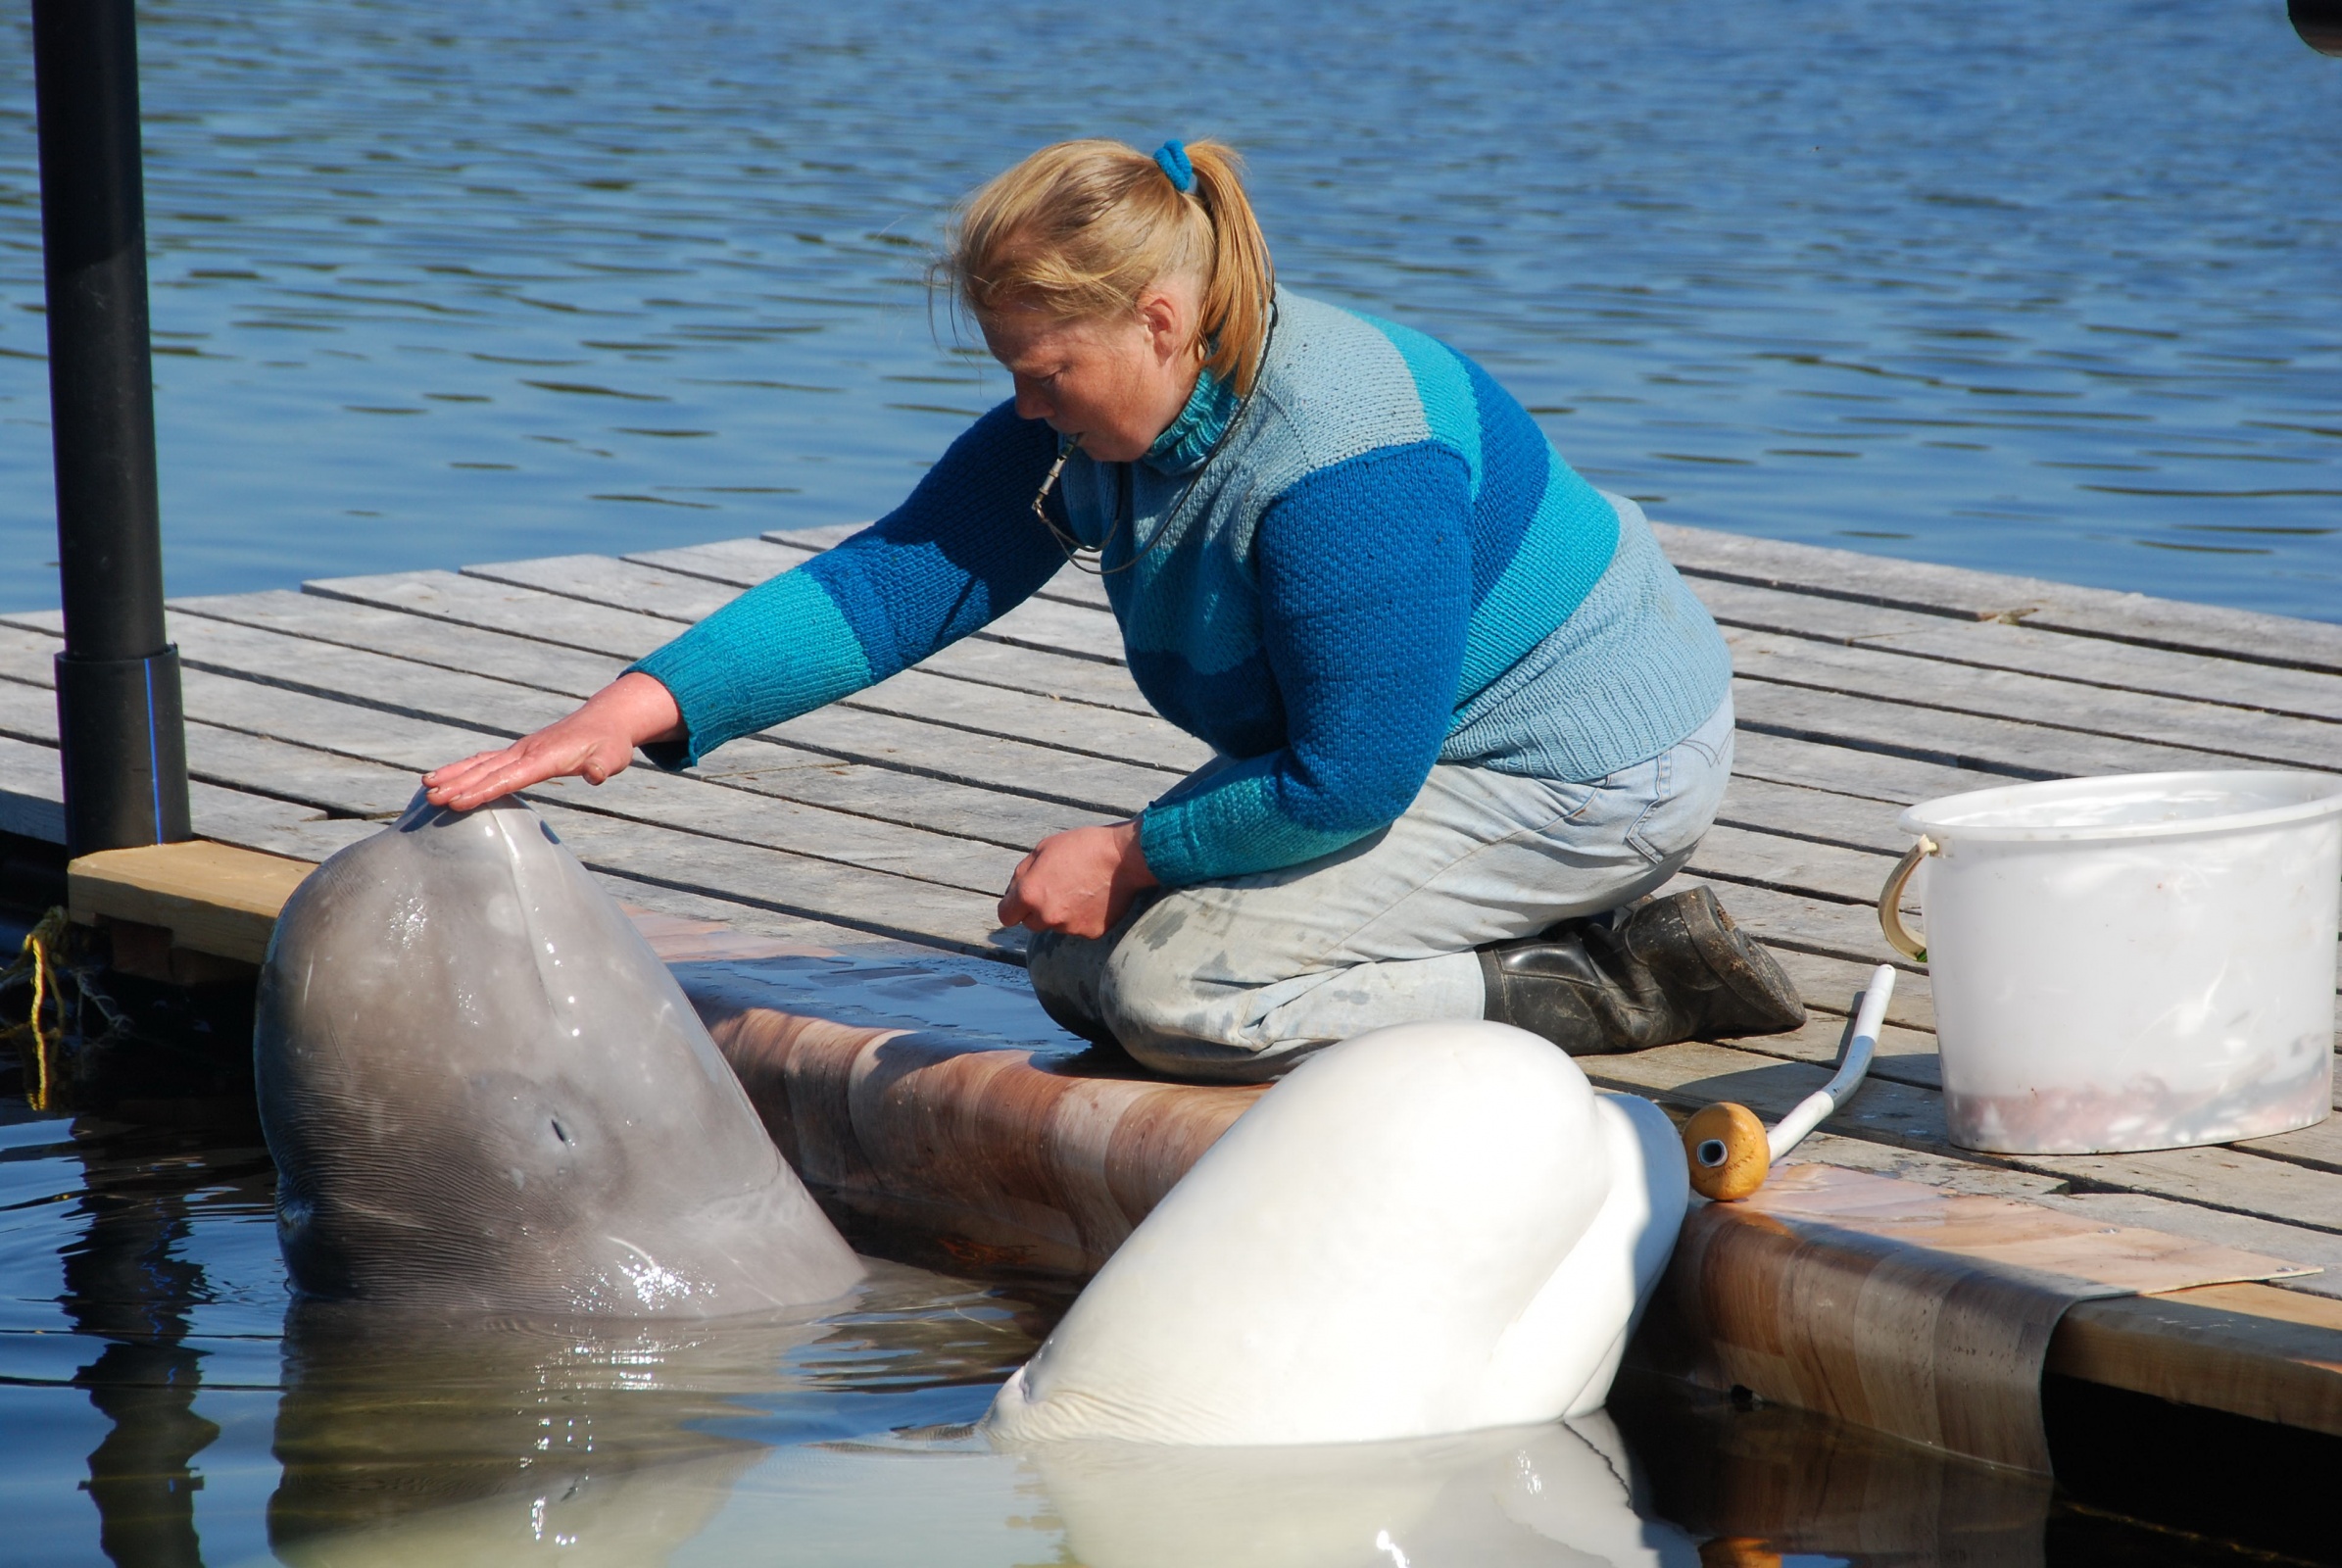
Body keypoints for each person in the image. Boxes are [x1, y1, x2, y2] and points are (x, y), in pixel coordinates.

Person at [422, 136, 1805, 1082]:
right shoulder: (1101, 414)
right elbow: (899, 573)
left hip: (1572, 772)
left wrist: (1133, 849)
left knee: (1174, 997)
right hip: (1392, 751)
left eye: (1047, 368)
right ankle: (1521, 944)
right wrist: (628, 714)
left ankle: (1608, 985)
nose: (1023, 404)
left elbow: (1350, 779)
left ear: (1158, 318)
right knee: (1078, 976)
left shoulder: (1343, 459)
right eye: (1010, 367)